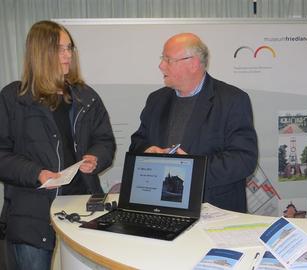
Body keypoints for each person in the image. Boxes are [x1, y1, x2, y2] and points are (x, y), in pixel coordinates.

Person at [0, 21, 116, 270]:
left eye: (69, 48)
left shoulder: (86, 96)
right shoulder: (13, 98)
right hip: (31, 213)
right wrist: (36, 173)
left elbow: (104, 140)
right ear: (41, 53)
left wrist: (96, 157)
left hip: (81, 208)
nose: (68, 55)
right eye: (61, 49)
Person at [129, 33, 258, 213]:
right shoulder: (156, 100)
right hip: (161, 206)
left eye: (168, 59)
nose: (160, 65)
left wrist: (192, 168)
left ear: (193, 63)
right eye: (162, 59)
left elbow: (244, 160)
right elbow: (137, 141)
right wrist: (148, 150)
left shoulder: (232, 100)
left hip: (213, 210)